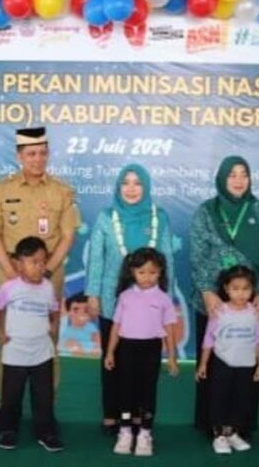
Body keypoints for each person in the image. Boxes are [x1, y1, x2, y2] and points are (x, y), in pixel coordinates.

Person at [0, 127, 80, 394]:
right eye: (31, 153)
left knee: (49, 336)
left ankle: (45, 411)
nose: (38, 159)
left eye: (42, 153)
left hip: (49, 272)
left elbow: (68, 236)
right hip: (9, 270)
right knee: (8, 338)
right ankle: (6, 410)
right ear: (19, 156)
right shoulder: (2, 189)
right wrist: (11, 272)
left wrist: (45, 271)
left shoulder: (62, 191)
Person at [189, 155, 259, 431]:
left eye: (244, 174)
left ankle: (241, 423)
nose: (239, 180)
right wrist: (207, 291)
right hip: (214, 298)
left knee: (245, 361)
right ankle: (211, 423)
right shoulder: (206, 211)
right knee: (215, 364)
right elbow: (197, 254)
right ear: (221, 178)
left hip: (248, 298)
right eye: (232, 175)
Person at [85, 163, 174, 432]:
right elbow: (96, 259)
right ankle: (112, 414)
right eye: (126, 182)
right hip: (113, 301)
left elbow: (167, 256)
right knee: (113, 360)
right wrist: (93, 294)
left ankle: (139, 414)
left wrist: (166, 299)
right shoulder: (105, 216)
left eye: (137, 183)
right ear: (118, 187)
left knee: (144, 366)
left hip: (149, 306)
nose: (132, 189)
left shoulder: (160, 217)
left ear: (145, 187)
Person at [0, 236, 64, 453]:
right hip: (15, 352)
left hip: (42, 352)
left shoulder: (48, 287)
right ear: (19, 264)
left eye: (43, 262)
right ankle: (8, 431)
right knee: (11, 394)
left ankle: (46, 433)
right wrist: (0, 334)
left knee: (43, 395)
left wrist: (52, 325)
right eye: (33, 262)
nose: (39, 267)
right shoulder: (10, 288)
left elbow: (54, 309)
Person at [104, 248, 179, 457]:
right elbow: (116, 326)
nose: (147, 277)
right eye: (142, 272)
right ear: (132, 272)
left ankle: (145, 433)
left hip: (151, 349)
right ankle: (125, 431)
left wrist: (172, 357)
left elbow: (170, 329)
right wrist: (110, 352)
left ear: (161, 273)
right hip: (127, 348)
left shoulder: (164, 299)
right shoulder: (125, 297)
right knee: (126, 390)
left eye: (153, 272)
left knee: (148, 391)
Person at [196, 264, 259, 456]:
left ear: (252, 289)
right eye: (235, 289)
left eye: (246, 289)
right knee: (219, 398)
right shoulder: (219, 311)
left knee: (241, 399)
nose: (241, 294)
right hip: (222, 363)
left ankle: (232, 432)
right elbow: (209, 340)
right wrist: (203, 363)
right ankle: (219, 435)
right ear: (226, 289)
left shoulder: (255, 313)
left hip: (246, 365)